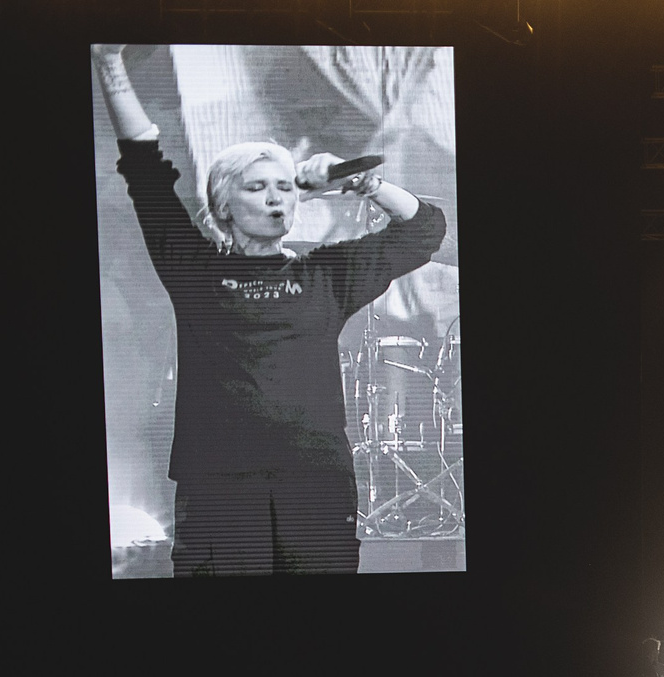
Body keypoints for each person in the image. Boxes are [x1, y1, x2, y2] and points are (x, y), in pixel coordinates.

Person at [95, 43, 448, 574]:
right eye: (256, 187)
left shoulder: (325, 272)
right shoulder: (193, 268)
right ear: (221, 205)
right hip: (219, 488)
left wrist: (366, 185)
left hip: (315, 483)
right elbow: (145, 168)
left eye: (284, 187)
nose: (275, 197)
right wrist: (109, 65)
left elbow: (424, 230)